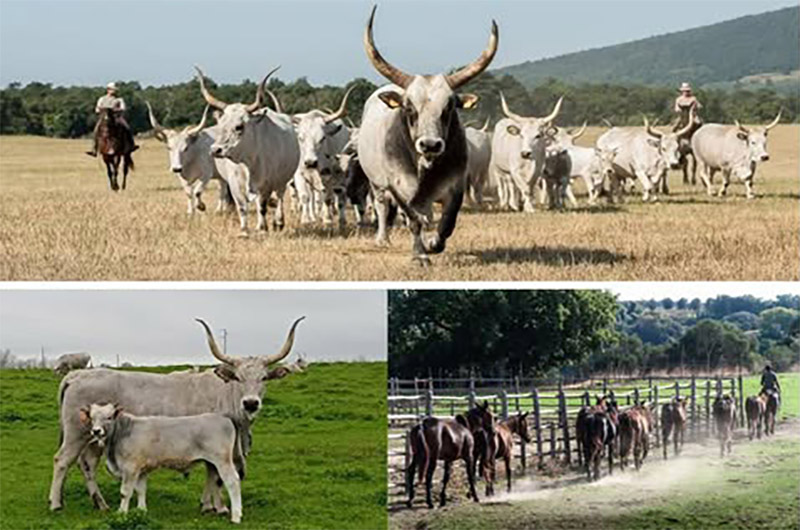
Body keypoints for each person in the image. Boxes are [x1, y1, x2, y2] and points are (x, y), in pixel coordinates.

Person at [86, 82, 138, 157]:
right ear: (108, 90)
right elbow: (97, 109)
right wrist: (101, 110)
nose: (114, 91)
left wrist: (116, 109)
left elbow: (123, 108)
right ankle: (94, 149)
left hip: (116, 117)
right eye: (112, 89)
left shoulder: (119, 99)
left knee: (127, 127)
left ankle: (131, 145)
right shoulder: (102, 99)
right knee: (96, 129)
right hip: (104, 118)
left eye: (115, 90)